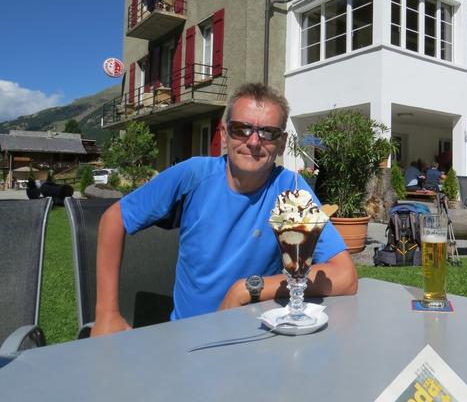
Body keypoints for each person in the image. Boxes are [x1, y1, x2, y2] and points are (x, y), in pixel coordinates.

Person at [91, 83, 358, 337]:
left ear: (281, 142)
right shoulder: (193, 175)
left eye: (268, 132)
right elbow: (115, 218)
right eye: (241, 129)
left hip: (257, 337)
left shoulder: (292, 190)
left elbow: (345, 276)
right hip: (190, 340)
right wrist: (106, 313)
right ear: (223, 133)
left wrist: (248, 288)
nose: (254, 141)